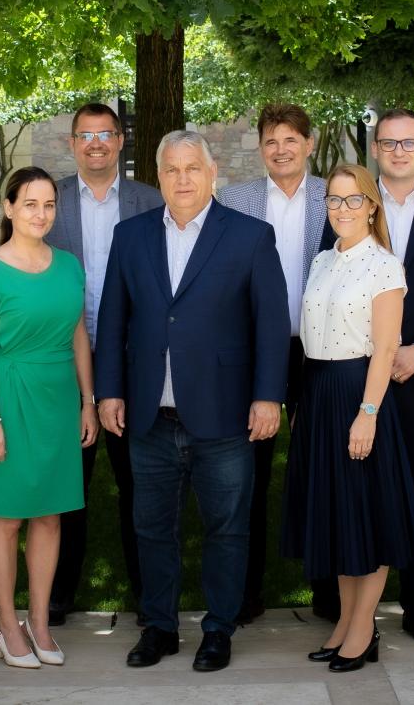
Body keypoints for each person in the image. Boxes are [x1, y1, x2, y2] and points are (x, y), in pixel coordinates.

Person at [95, 130, 289, 673]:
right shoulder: (131, 236)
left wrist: (268, 397)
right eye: (172, 170)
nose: (182, 179)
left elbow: (271, 326)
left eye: (192, 168)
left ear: (212, 172)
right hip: (149, 415)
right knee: (152, 528)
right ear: (158, 176)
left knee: (227, 528)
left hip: (225, 414)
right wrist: (109, 390)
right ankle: (159, 627)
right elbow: (113, 319)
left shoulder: (250, 236)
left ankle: (218, 629)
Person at [318, 109, 414, 643]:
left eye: (409, 143)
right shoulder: (354, 203)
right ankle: (349, 612)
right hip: (358, 377)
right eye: (388, 143)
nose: (399, 151)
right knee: (355, 489)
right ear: (376, 150)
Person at [282, 164, 414, 673]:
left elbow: (385, 349)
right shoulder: (322, 260)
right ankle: (345, 623)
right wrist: (303, 405)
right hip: (319, 393)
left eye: (352, 199)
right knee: (338, 516)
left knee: (368, 514)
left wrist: (367, 414)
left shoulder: (384, 266)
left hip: (359, 393)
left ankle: (364, 628)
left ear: (371, 206)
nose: (342, 209)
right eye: (334, 200)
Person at [0, 166, 99, 668]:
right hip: (9, 398)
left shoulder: (69, 266)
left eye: (48, 205)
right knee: (6, 518)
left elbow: (78, 334)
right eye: (30, 204)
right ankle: (6, 624)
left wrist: (88, 400)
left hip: (59, 400)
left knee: (49, 514)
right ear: (9, 207)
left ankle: (39, 622)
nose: (40, 214)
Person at [43, 103, 161, 625]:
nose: (95, 143)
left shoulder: (149, 201)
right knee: (68, 481)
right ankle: (59, 592)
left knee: (139, 481)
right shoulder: (49, 201)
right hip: (61, 361)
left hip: (132, 360)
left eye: (105, 134)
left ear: (120, 141)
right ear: (72, 144)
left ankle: (147, 595)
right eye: (85, 135)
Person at [216, 102, 328, 625]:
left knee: (322, 471)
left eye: (290, 140)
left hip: (320, 350)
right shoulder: (234, 200)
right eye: (271, 141)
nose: (281, 150)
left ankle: (328, 591)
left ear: (309, 144)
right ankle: (245, 594)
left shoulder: (335, 197)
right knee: (248, 476)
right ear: (261, 148)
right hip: (252, 352)